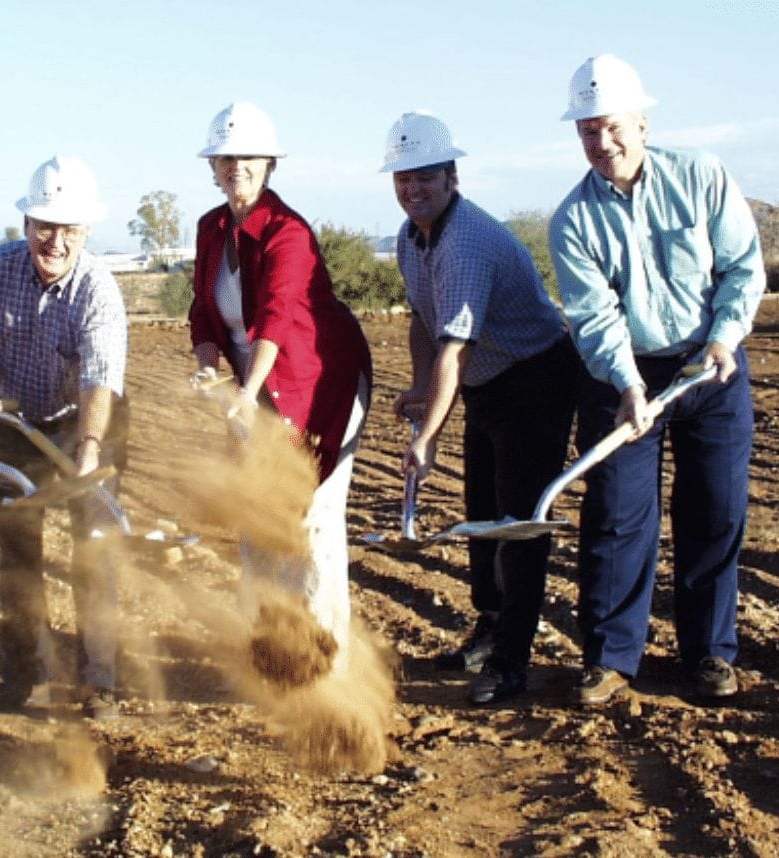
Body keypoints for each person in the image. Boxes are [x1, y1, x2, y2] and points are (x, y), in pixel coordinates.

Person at [549, 54, 765, 704]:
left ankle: (708, 654)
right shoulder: (572, 220)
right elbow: (593, 316)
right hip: (622, 378)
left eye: (611, 126)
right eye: (587, 130)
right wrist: (626, 386)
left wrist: (724, 337)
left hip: (710, 363)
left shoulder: (699, 176)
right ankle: (611, 659)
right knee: (616, 515)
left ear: (640, 122)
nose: (601, 142)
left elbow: (741, 266)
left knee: (715, 508)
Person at [381, 111, 579, 704]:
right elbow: (423, 319)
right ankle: (490, 629)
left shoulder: (466, 241)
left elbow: (456, 347)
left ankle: (513, 662)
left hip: (536, 376)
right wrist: (421, 388)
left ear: (451, 177)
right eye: (402, 181)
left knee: (518, 521)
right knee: (482, 511)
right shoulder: (410, 237)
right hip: (488, 384)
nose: (412, 191)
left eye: (424, 179)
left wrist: (428, 434)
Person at [188, 101, 372, 673]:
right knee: (259, 516)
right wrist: (207, 362)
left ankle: (327, 661)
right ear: (213, 166)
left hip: (317, 385)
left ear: (269, 163)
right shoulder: (211, 229)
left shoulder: (288, 231)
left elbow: (277, 315)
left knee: (312, 516)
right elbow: (203, 310)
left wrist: (247, 391)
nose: (235, 167)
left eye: (247, 157)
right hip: (255, 387)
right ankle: (271, 649)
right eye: (225, 158)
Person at [0, 155, 128, 720]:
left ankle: (100, 678)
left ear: (86, 231)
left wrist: (90, 449)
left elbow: (102, 377)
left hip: (86, 419)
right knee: (18, 553)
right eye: (45, 226)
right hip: (13, 423)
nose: (55, 241)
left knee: (95, 551)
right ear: (27, 225)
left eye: (69, 229)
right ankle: (23, 669)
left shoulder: (97, 288)